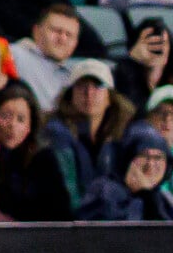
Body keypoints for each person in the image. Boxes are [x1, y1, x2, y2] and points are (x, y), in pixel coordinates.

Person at [45, 59, 133, 212]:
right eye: (81, 86)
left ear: (110, 96)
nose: (89, 93)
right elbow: (68, 193)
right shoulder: (56, 132)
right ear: (70, 94)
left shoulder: (124, 133)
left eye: (97, 86)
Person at [0, 83, 72, 221]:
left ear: (30, 126)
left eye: (20, 119)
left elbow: (60, 213)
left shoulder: (44, 160)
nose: (12, 125)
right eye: (5, 116)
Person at [81, 124, 173, 220]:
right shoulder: (103, 192)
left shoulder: (171, 204)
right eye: (143, 155)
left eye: (158, 157)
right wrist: (145, 195)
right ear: (128, 158)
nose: (150, 164)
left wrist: (148, 196)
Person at [9, 2, 91, 112]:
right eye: (56, 31)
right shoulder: (15, 54)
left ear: (76, 43)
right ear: (36, 32)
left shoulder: (76, 76)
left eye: (69, 35)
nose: (62, 39)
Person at [116, 16, 173, 109]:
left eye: (161, 42)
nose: (155, 47)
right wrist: (132, 60)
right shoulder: (121, 79)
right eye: (150, 42)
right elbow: (128, 111)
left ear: (170, 49)